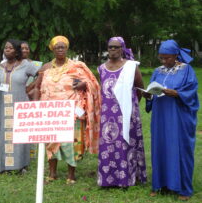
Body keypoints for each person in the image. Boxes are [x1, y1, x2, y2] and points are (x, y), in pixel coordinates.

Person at [34, 35, 101, 184]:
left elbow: (92, 83)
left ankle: (71, 175)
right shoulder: (46, 67)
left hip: (72, 111)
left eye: (63, 47)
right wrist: (35, 105)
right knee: (51, 141)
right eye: (57, 47)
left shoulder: (77, 66)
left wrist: (84, 85)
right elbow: (37, 87)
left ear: (67, 49)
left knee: (71, 142)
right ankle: (52, 173)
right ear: (52, 49)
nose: (60, 49)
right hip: (50, 111)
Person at [144, 40, 199, 200]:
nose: (163, 61)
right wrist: (148, 95)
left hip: (179, 117)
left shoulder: (186, 70)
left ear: (176, 55)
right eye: (161, 58)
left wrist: (177, 94)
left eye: (167, 58)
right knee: (160, 147)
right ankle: (160, 184)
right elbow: (152, 89)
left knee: (179, 148)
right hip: (160, 117)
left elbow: (192, 92)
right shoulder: (157, 71)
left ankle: (183, 188)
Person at [97, 36, 147, 187]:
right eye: (110, 47)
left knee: (126, 143)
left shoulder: (131, 66)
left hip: (127, 111)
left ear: (122, 49)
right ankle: (108, 178)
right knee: (108, 143)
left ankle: (126, 178)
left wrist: (131, 107)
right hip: (107, 114)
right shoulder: (101, 68)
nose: (112, 50)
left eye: (116, 47)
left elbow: (139, 88)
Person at [0, 39, 39, 173]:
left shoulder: (26, 65)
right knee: (2, 135)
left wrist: (30, 87)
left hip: (20, 104)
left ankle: (20, 166)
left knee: (20, 135)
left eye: (10, 48)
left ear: (17, 51)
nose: (7, 50)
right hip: (1, 106)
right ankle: (1, 167)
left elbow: (40, 75)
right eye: (6, 48)